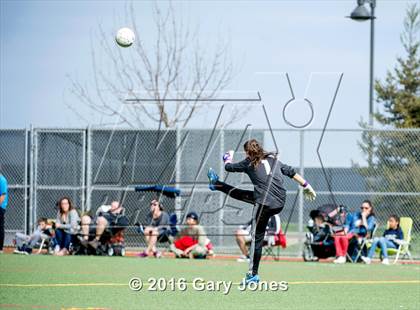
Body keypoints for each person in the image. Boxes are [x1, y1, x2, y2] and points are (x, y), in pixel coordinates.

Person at [207, 139, 316, 284]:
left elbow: (229, 167)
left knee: (256, 239)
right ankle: (217, 184)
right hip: (280, 201)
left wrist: (227, 157)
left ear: (248, 152)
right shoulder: (273, 159)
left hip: (264, 203)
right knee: (244, 194)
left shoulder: (248, 162)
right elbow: (291, 172)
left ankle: (252, 275)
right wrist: (307, 185)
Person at [333, 200, 376, 264]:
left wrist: (363, 218)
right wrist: (345, 230)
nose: (364, 209)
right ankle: (340, 256)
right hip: (350, 233)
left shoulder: (371, 218)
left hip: (360, 235)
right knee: (337, 236)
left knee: (344, 237)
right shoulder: (355, 215)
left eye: (366, 208)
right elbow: (348, 225)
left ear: (370, 209)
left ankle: (343, 256)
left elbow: (368, 229)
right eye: (362, 208)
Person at [0, 172, 8, 254]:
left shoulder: (2, 180)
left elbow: (3, 195)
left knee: (0, 227)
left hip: (0, 207)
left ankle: (0, 249)